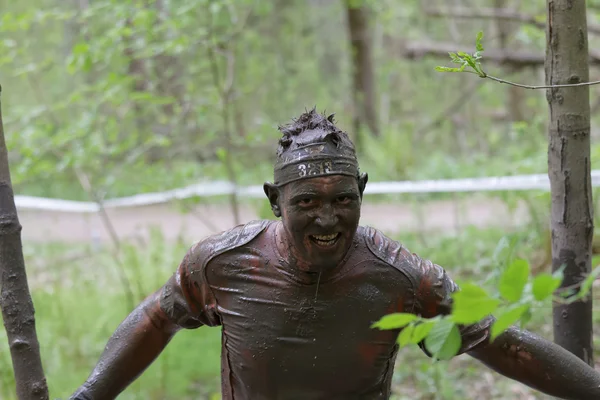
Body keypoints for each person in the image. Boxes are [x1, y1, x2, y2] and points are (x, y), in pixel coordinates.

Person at [70, 109, 600, 400]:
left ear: (362, 191)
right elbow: (155, 319)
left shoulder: (400, 275)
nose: (328, 219)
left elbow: (501, 345)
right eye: (306, 203)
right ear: (275, 201)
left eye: (344, 199)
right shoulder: (221, 263)